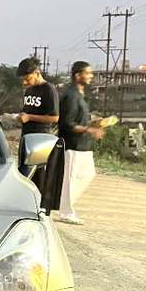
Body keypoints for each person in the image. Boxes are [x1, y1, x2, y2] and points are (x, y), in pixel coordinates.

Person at [56, 61, 104, 225]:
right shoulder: (70, 95)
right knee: (71, 179)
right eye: (87, 73)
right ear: (78, 75)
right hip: (72, 145)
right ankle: (66, 211)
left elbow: (80, 118)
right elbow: (67, 123)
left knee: (87, 175)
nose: (91, 76)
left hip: (83, 145)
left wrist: (94, 122)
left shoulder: (80, 94)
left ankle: (64, 206)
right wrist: (89, 130)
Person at [16, 57, 59, 136]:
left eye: (27, 79)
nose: (24, 83)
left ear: (37, 73)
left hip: (41, 137)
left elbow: (55, 118)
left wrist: (29, 117)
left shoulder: (49, 89)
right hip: (26, 135)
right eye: (22, 80)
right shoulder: (29, 89)